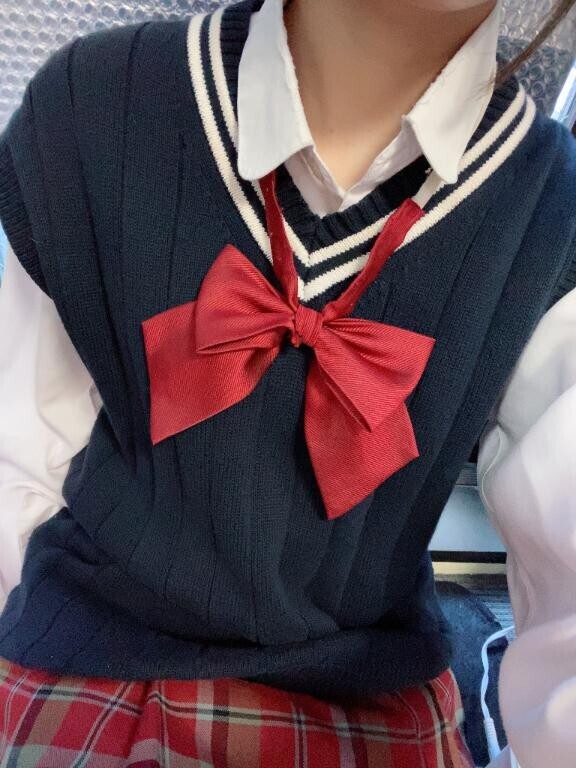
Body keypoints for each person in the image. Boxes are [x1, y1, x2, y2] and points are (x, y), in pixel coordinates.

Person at [0, 0, 574, 765]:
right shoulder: (87, 106)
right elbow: (15, 463)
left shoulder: (553, 215)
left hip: (371, 690)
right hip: (81, 649)